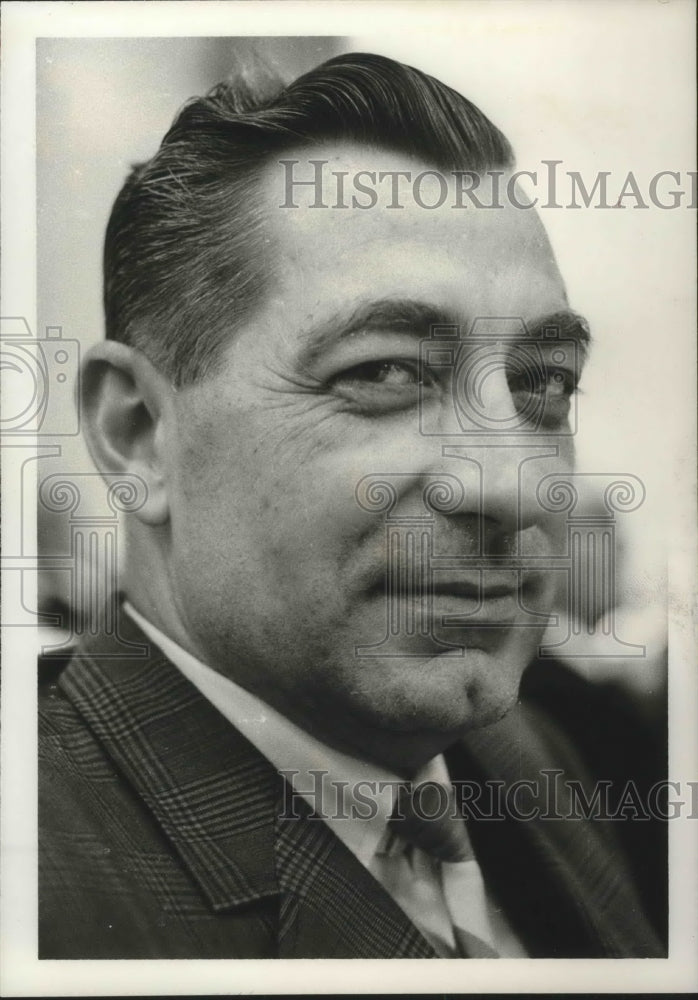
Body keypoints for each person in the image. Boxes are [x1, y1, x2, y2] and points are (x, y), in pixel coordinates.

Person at [38, 52, 666, 959]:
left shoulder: (532, 760)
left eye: (542, 385)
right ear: (139, 433)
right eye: (384, 372)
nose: (508, 482)